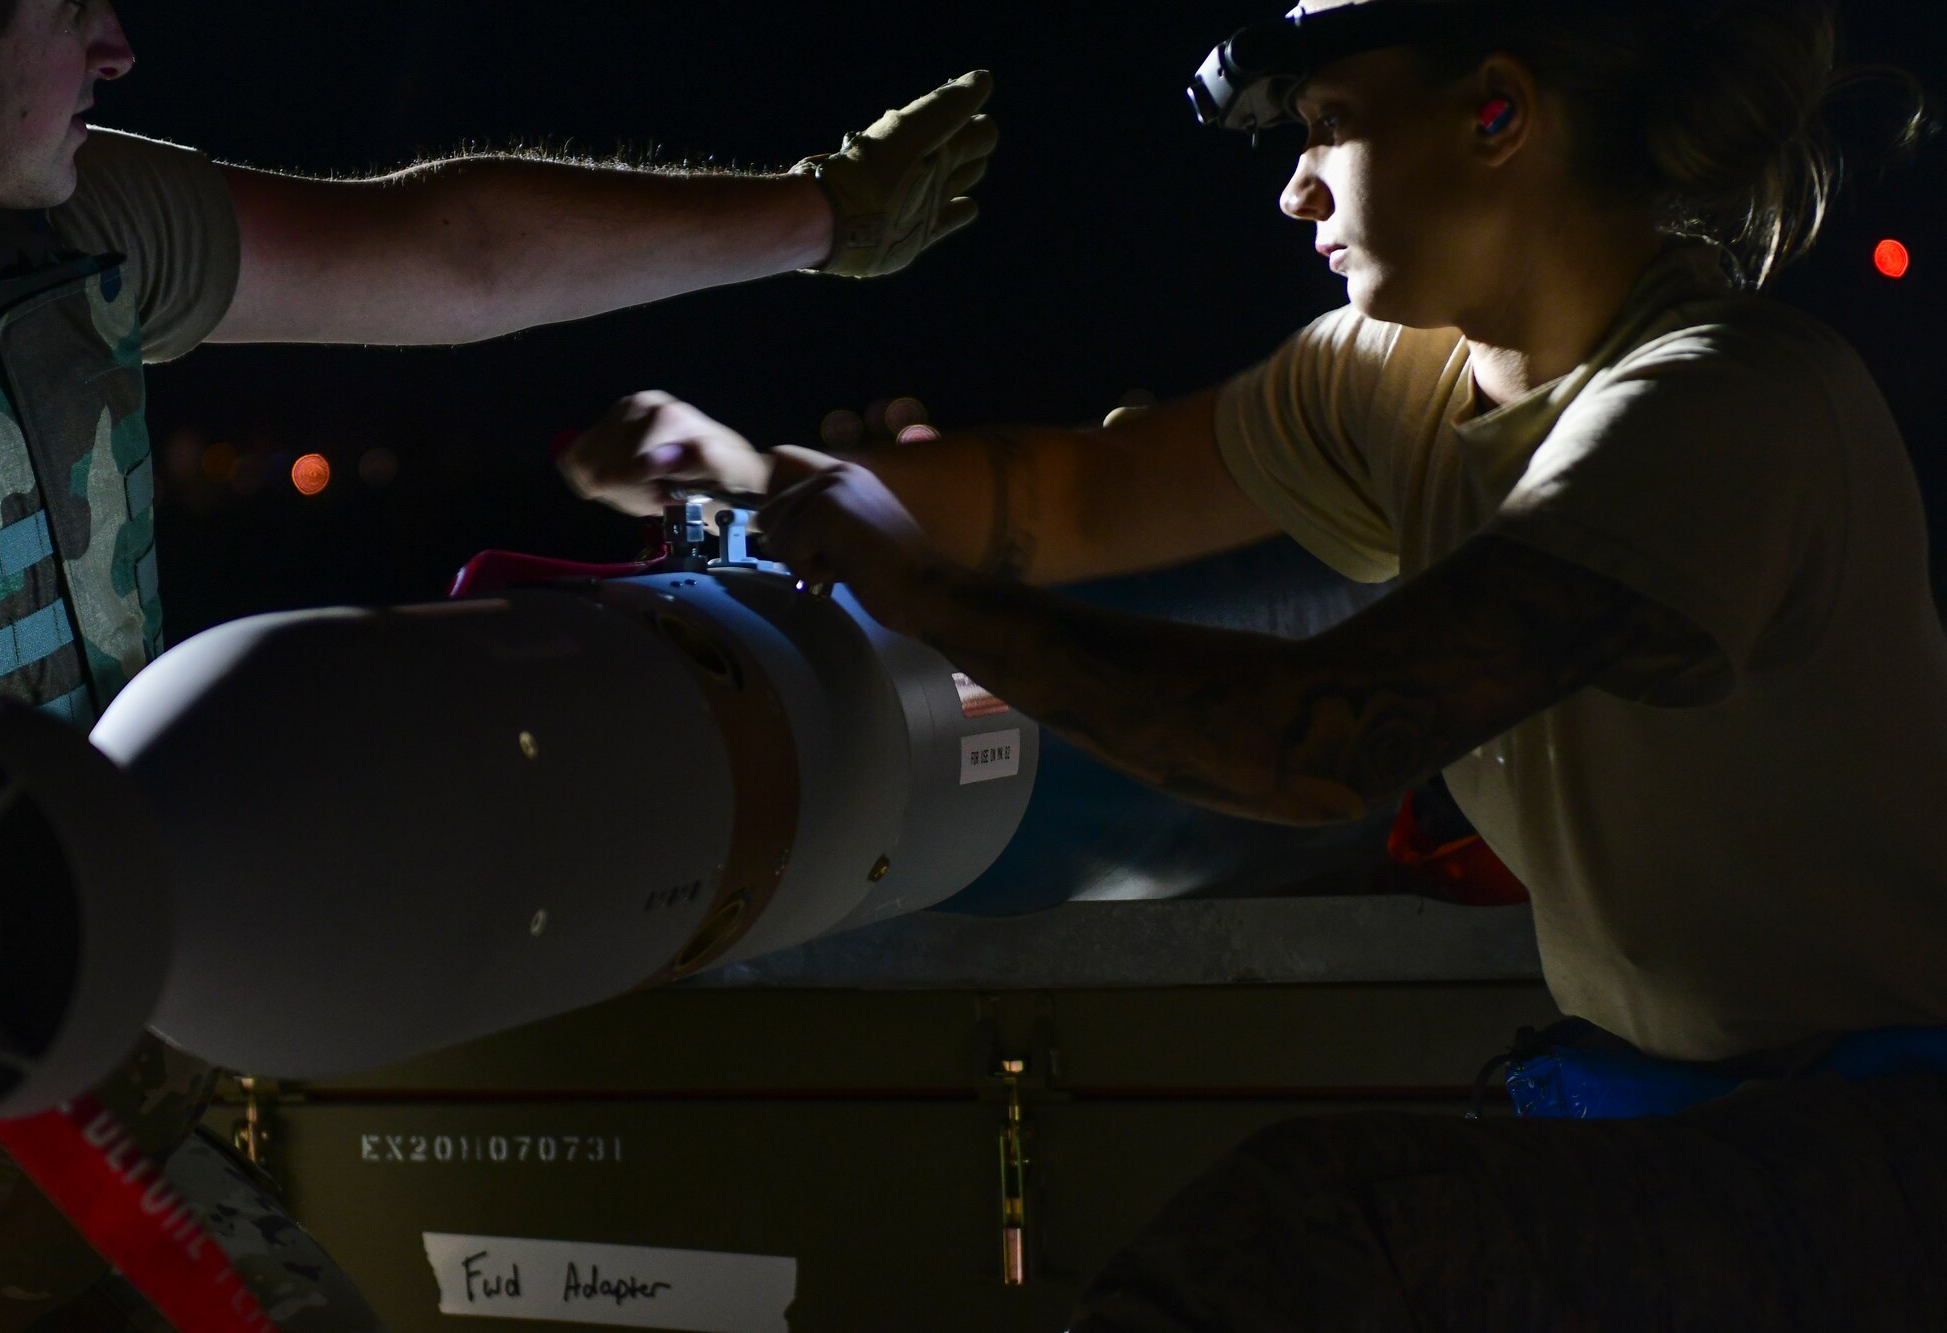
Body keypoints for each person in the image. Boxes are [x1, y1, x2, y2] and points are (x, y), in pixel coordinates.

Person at [564, 0, 1947, 1325]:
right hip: (1668, 1115)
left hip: (1875, 1152)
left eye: (1329, 126)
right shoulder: (1398, 380)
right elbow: (1087, 497)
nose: (1293, 191)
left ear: (1496, 113)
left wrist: (924, 596)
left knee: (1318, 1236)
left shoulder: (1721, 408)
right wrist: (769, 492)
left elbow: (1309, 741)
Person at [0, 0, 996, 1327]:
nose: (115, 46)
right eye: (62, 10)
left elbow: (455, 251)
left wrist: (827, 212)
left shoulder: (78, 225)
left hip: (89, 1081)